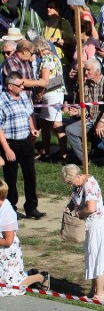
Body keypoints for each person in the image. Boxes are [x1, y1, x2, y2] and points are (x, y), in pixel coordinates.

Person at [61, 164, 104, 301]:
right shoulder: (78, 184)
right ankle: (93, 290)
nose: (71, 185)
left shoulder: (89, 186)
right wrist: (69, 207)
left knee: (97, 258)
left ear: (78, 176)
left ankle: (100, 293)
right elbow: (75, 198)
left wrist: (79, 213)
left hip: (98, 225)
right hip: (89, 225)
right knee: (91, 256)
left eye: (71, 182)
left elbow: (91, 208)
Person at [0, 72, 42, 220]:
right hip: (10, 143)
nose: (23, 87)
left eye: (23, 84)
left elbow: (29, 113)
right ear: (10, 86)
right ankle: (11, 208)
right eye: (20, 85)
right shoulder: (1, 100)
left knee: (30, 174)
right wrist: (6, 149)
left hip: (25, 141)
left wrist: (32, 129)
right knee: (11, 177)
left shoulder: (23, 96)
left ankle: (31, 207)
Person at [66, 59, 104, 168]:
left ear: (97, 71)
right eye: (85, 70)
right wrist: (78, 112)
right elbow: (87, 108)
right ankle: (84, 160)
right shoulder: (85, 85)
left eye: (88, 70)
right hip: (92, 119)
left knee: (103, 129)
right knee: (70, 130)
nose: (85, 73)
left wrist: (101, 122)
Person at [0, 179, 51, 296]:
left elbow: (8, 241)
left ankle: (41, 277)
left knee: (10, 289)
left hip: (7, 251)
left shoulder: (6, 213)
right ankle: (29, 273)